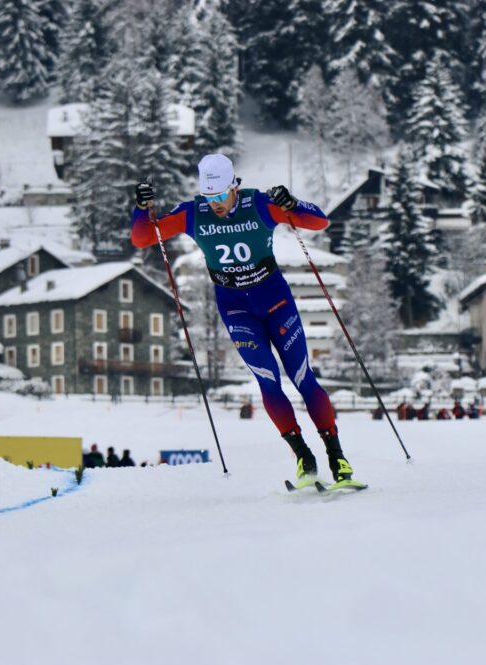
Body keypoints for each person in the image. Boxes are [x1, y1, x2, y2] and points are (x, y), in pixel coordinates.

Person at [131, 154, 358, 487]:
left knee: (301, 377)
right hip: (235, 307)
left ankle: (337, 457)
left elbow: (319, 222)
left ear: (234, 186)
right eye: (210, 197)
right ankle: (303, 457)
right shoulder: (194, 213)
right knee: (268, 381)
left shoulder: (260, 204)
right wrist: (141, 208)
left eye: (221, 195)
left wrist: (292, 203)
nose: (217, 204)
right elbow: (142, 238)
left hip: (276, 300)